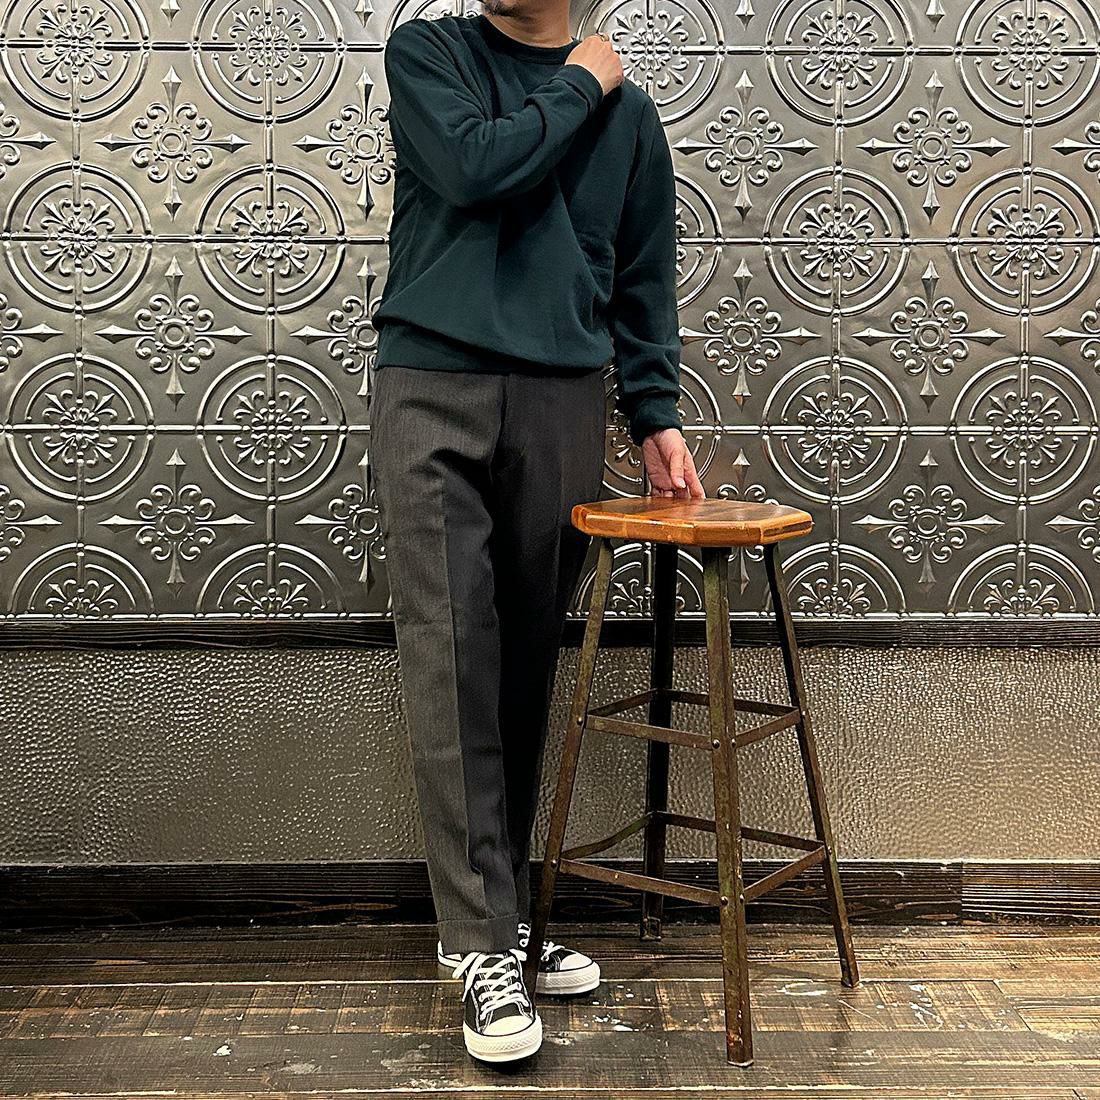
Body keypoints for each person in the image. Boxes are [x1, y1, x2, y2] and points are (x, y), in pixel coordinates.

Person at [368, 0, 705, 1066]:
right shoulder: (430, 52)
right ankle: (474, 943)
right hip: (432, 386)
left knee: (521, 663)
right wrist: (582, 80)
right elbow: (476, 168)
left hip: (561, 396)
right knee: (450, 655)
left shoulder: (631, 118)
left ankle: (502, 918)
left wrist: (653, 413)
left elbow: (641, 272)